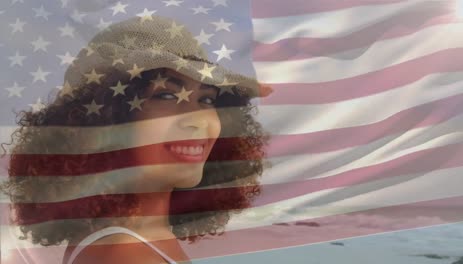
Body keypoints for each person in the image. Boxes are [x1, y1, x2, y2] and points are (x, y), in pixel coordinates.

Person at [0, 16, 272, 264]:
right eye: (165, 95)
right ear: (109, 120)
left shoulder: (135, 240)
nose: (197, 119)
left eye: (207, 99)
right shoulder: (124, 254)